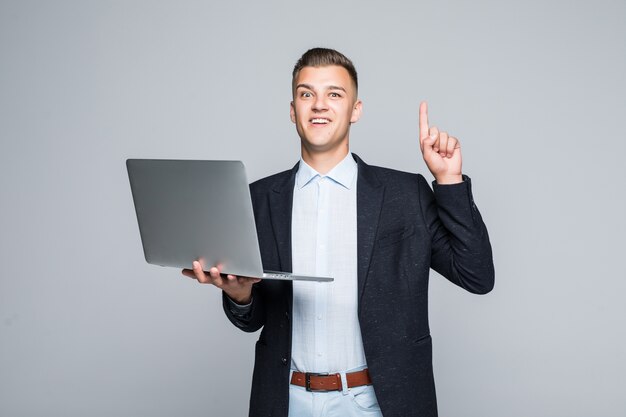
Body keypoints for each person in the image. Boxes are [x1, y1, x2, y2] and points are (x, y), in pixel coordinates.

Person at [182, 48, 494, 417]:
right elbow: (253, 320)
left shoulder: (405, 195)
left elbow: (477, 276)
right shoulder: (259, 198)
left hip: (378, 404)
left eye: (334, 94)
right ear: (293, 110)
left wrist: (449, 181)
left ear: (355, 110)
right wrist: (240, 295)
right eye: (306, 94)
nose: (319, 105)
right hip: (286, 400)